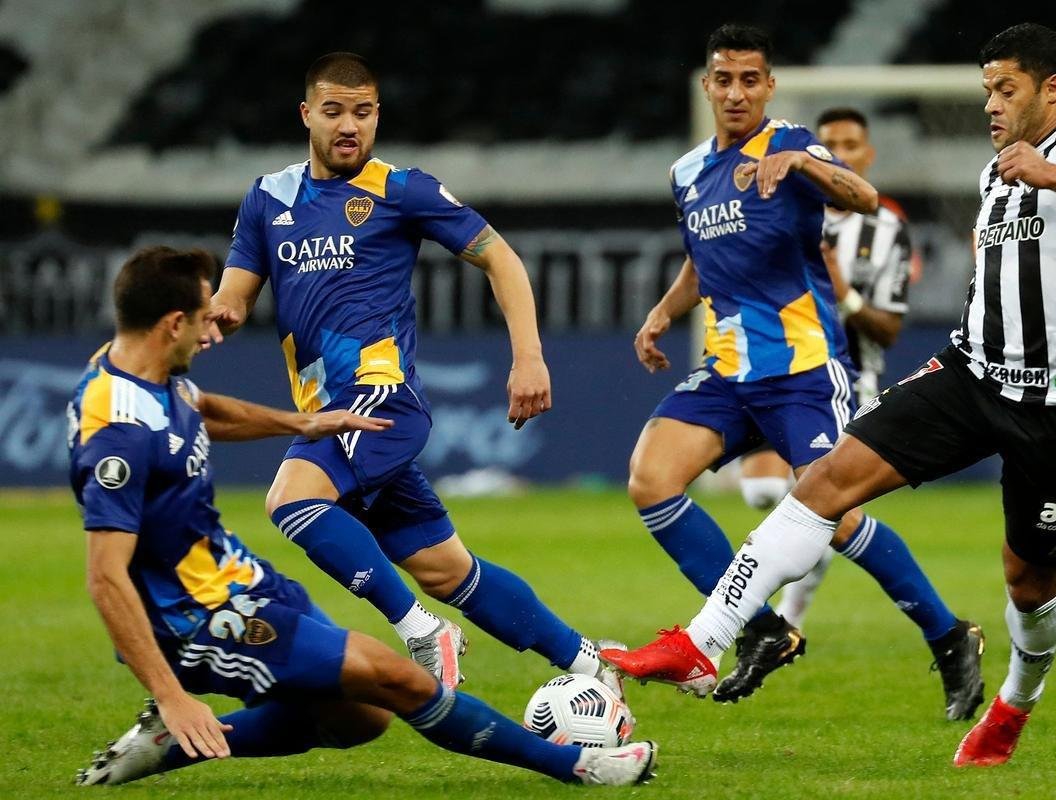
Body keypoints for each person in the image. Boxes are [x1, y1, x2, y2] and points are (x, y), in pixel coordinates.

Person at [604, 22, 1056, 767]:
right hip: (971, 374)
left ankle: (1015, 699)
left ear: (1052, 89)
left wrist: (1053, 176)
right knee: (825, 485)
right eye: (986, 92)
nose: (991, 106)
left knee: (1030, 585)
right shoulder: (995, 172)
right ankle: (704, 640)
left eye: (1005, 90)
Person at [71, 246, 657, 787]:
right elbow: (105, 577)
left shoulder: (139, 371)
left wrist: (302, 423)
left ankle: (169, 745)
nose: (210, 335)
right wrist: (171, 693)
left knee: (361, 718)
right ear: (173, 323)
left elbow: (201, 408)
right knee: (398, 678)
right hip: (195, 619)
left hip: (239, 580)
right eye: (203, 320)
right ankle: (579, 766)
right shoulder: (118, 435)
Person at [208, 52, 619, 691]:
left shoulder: (403, 191)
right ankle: (591, 663)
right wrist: (208, 319)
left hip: (380, 399)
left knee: (290, 502)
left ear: (377, 117)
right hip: (325, 413)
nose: (350, 125)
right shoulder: (270, 198)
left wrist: (529, 356)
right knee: (446, 569)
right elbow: (235, 297)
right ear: (306, 115)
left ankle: (423, 633)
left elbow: (502, 259)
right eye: (335, 111)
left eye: (364, 113)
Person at [624, 23, 983, 716]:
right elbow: (704, 258)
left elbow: (863, 197)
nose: (736, 91)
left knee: (835, 516)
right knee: (650, 479)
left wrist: (807, 167)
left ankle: (947, 635)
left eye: (750, 79)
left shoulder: (789, 142)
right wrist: (663, 312)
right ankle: (764, 630)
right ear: (707, 85)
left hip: (804, 370)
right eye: (724, 79)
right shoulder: (687, 172)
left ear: (769, 85)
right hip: (730, 370)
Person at [741, 107, 923, 638]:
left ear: (867, 156)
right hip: (776, 371)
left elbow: (888, 330)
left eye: (850, 145)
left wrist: (841, 291)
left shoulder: (887, 230)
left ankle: (788, 614)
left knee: (819, 503)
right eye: (829, 144)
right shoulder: (782, 208)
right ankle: (793, 588)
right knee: (769, 495)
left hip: (851, 376)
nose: (838, 154)